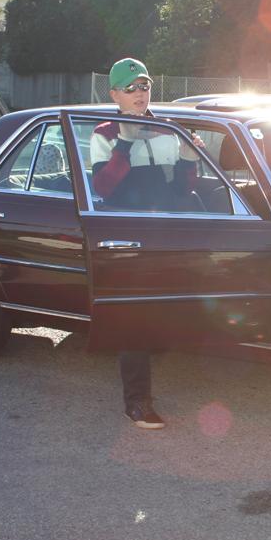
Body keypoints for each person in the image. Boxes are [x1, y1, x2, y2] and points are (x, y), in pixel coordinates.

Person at [90, 57, 204, 430]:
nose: (140, 94)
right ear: (115, 94)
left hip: (166, 233)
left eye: (144, 85)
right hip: (127, 235)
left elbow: (179, 190)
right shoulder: (104, 134)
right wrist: (124, 143)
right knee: (134, 318)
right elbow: (103, 189)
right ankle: (137, 402)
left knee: (173, 308)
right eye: (131, 88)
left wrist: (190, 161)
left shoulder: (168, 130)